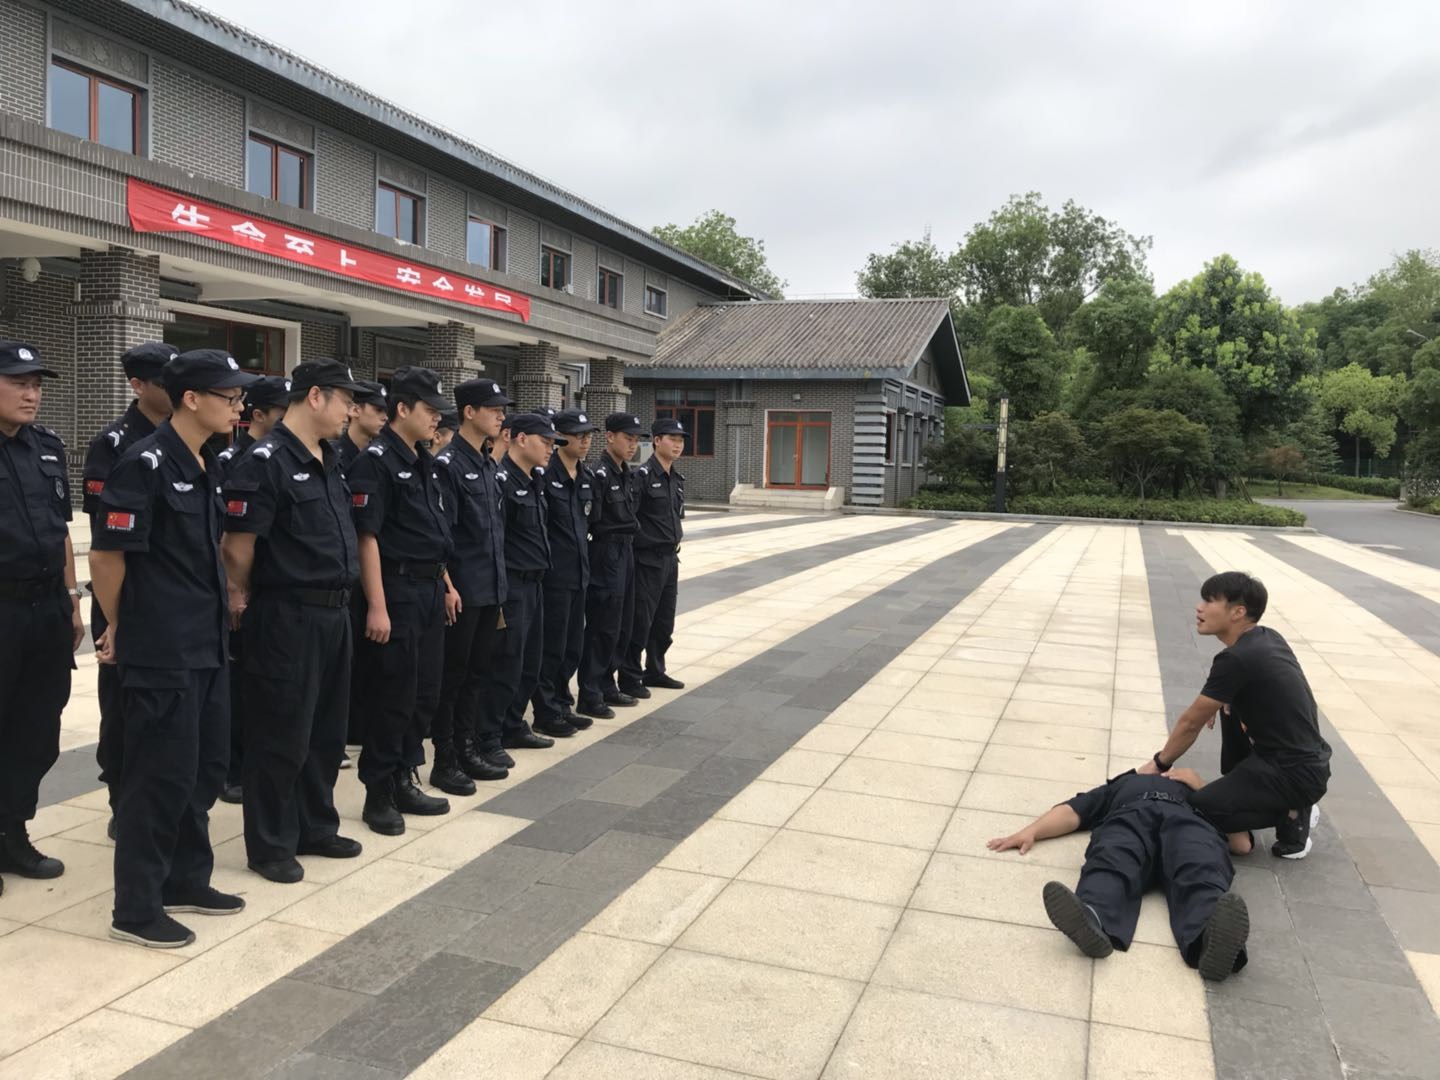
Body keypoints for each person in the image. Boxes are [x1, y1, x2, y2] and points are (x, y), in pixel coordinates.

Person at [90, 349, 255, 948]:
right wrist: (120, 624)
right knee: (156, 777)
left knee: (203, 767)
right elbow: (107, 555)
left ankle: (186, 878)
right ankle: (135, 908)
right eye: (229, 397)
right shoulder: (146, 463)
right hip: (161, 647)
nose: (238, 407)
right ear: (192, 398)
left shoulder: (203, 461)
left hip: (204, 642)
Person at [221, 359, 369, 883]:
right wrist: (245, 594)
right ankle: (270, 843)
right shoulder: (265, 460)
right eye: (344, 398)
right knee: (280, 732)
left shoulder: (331, 457)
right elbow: (238, 548)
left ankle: (315, 825)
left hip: (334, 614)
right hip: (287, 614)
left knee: (326, 731)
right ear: (313, 398)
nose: (352, 409)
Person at [987, 766, 1250, 982]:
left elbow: (1241, 844)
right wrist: (1031, 831)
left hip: (1189, 822)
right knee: (1113, 857)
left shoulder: (1204, 791)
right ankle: (1094, 919)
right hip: (1131, 816)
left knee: (1200, 865)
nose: (1164, 771)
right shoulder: (1121, 786)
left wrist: (1203, 788)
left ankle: (1210, 939)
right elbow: (1072, 812)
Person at [1137, 571, 1331, 859]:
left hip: (1293, 773)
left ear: (1238, 612)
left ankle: (1292, 811)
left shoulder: (1237, 658)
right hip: (1305, 761)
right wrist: (1229, 702)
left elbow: (1191, 722)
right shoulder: (1266, 637)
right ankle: (1274, 802)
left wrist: (1159, 762)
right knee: (1227, 708)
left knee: (1199, 807)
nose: (1199, 608)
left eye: (1210, 601)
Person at [346, 366, 458, 835]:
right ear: (403, 409)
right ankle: (379, 792)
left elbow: (431, 532)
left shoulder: (421, 459)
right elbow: (366, 537)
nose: (436, 420)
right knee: (392, 694)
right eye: (430, 411)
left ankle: (405, 775)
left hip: (429, 588)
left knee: (424, 693)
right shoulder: (375, 460)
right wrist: (376, 605)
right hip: (397, 589)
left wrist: (447, 583)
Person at [0, 342, 85, 897]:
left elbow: (59, 531)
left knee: (36, 727)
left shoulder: (47, 448)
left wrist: (73, 597)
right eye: (18, 383)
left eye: (37, 384)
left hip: (45, 607)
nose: (32, 393)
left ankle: (12, 832)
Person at [82, 342, 176, 828]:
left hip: (174, 596)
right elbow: (107, 539)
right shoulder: (115, 444)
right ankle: (122, 795)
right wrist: (114, 615)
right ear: (138, 386)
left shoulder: (193, 439)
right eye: (165, 381)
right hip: (125, 590)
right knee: (122, 700)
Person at [429, 378, 513, 795]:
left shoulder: (486, 463)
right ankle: (445, 759)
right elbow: (443, 536)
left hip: (489, 588)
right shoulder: (448, 466)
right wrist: (447, 586)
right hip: (462, 592)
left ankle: (467, 748)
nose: (501, 415)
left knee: (477, 674)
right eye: (493, 408)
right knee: (453, 678)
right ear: (469, 412)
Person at [471, 412, 565, 769]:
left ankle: (513, 724)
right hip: (511, 585)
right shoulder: (501, 481)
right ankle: (488, 736)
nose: (550, 451)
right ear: (521, 439)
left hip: (536, 583)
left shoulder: (535, 479)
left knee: (529, 661)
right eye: (545, 442)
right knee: (504, 663)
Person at [532, 408, 600, 737]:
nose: (586, 441)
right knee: (552, 646)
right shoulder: (545, 475)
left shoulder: (586, 477)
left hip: (579, 574)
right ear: (561, 437)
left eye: (589, 435)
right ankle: (546, 711)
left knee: (573, 645)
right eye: (579, 435)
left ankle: (562, 703)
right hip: (554, 577)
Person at [577, 413, 643, 719]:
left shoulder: (626, 473)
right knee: (602, 624)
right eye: (627, 439)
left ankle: (607, 682)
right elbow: (593, 520)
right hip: (606, 552)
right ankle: (590, 692)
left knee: (621, 624)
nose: (632, 445)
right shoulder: (599, 474)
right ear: (610, 437)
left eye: (635, 440)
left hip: (626, 552)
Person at [337, 378, 387, 769]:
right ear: (355, 411)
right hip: (341, 576)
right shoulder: (338, 456)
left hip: (366, 572)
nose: (383, 418)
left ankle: (356, 725)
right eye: (377, 411)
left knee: (366, 659)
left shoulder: (374, 457)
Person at [619, 417, 687, 699]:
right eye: (672, 439)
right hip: (647, 559)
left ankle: (655, 670)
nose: (677, 445)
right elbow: (631, 519)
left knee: (664, 621)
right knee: (641, 620)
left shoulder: (676, 479)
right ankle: (630, 676)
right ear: (657, 441)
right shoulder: (643, 477)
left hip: (671, 559)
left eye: (681, 440)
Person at [218, 374, 288, 471]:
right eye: (285, 414)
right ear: (258, 415)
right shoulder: (233, 462)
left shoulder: (287, 452)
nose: (292, 419)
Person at [336, 380, 387, 470]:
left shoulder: (382, 456)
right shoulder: (332, 455)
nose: (385, 418)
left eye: (386, 411)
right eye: (378, 410)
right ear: (355, 410)